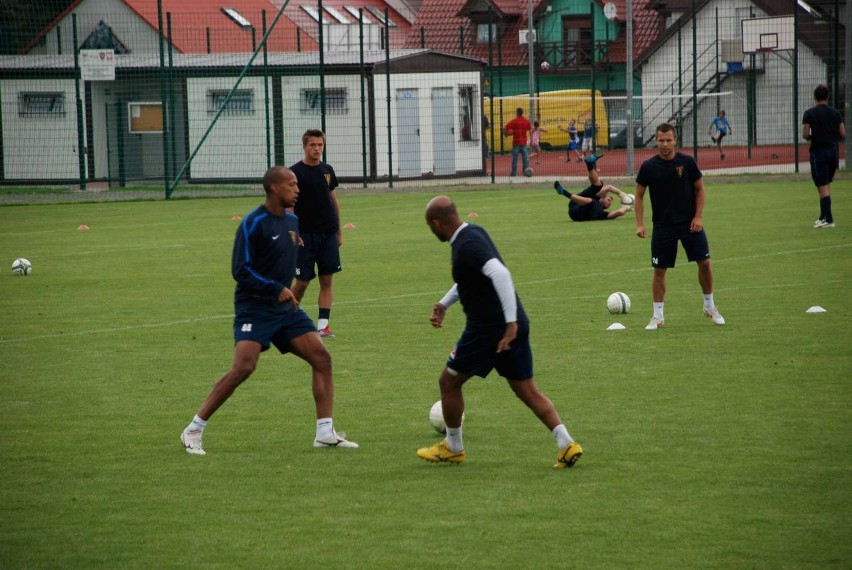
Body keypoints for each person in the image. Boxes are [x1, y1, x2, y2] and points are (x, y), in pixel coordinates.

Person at [180, 166, 358, 455]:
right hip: (254, 308)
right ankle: (193, 429)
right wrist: (276, 288)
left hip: (285, 309)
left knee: (322, 358)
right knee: (244, 367)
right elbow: (240, 269)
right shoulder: (253, 223)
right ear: (275, 188)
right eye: (292, 184)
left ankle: (325, 432)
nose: (297, 189)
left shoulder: (291, 220)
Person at [417, 196, 582, 469]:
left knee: (448, 382)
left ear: (436, 223)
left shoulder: (467, 245)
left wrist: (509, 324)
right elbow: (470, 280)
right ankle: (566, 444)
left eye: (429, 226)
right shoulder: (472, 233)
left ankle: (453, 447)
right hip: (508, 324)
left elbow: (500, 274)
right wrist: (444, 304)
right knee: (526, 389)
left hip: (488, 330)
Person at [634, 123, 725, 330]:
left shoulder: (687, 162)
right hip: (663, 227)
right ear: (656, 141)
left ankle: (710, 307)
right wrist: (640, 224)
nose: (665, 144)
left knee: (705, 263)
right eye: (660, 140)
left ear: (675, 140)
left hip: (689, 224)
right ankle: (657, 317)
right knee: (659, 270)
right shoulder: (648, 166)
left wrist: (698, 217)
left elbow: (700, 190)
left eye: (668, 140)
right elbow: (639, 195)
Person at [290, 129, 342, 338]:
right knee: (302, 282)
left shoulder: (327, 170)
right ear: (304, 146)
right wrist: (294, 232)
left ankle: (323, 326)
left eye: (320, 145)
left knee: (327, 280)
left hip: (327, 233)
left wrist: (338, 231)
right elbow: (289, 206)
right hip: (305, 235)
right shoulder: (294, 173)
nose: (317, 149)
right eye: (313, 145)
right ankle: (285, 317)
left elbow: (333, 201)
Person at [802, 84, 845, 229]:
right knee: (826, 184)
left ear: (814, 97)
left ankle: (829, 219)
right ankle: (823, 216)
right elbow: (843, 133)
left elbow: (805, 134)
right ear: (828, 97)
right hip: (833, 151)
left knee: (821, 185)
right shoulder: (835, 113)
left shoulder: (809, 113)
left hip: (818, 152)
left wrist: (813, 136)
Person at [554, 154, 634, 221]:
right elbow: (608, 187)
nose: (610, 200)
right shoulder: (597, 197)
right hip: (574, 204)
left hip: (575, 214)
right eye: (609, 198)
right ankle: (590, 164)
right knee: (598, 186)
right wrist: (622, 195)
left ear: (606, 207)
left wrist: (626, 207)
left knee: (591, 201)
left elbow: (618, 213)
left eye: (610, 202)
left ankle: (564, 192)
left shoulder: (600, 212)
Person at [503, 107, 532, 176]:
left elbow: (505, 128)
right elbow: (530, 130)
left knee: (514, 159)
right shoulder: (526, 121)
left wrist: (506, 134)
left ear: (517, 113)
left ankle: (513, 173)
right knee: (525, 158)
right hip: (524, 142)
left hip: (516, 142)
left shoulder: (514, 121)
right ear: (522, 113)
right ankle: (525, 172)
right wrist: (531, 140)